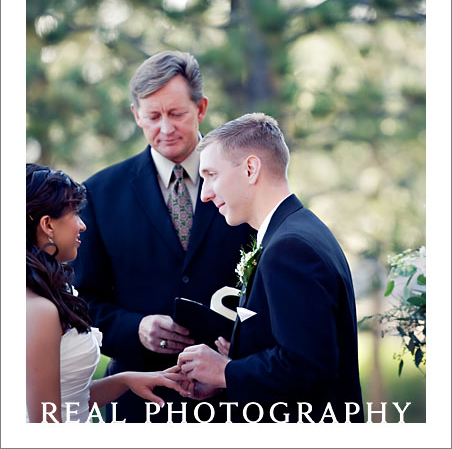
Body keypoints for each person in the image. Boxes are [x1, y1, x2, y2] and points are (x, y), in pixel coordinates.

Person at [71, 51, 254, 422]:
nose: (165, 128)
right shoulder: (99, 194)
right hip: (139, 404)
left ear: (201, 108)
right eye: (153, 116)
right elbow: (82, 302)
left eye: (177, 114)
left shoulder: (247, 177)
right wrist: (134, 329)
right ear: (136, 114)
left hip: (233, 399)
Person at [177, 113, 364, 423]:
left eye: (212, 175)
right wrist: (236, 362)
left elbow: (308, 365)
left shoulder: (290, 249)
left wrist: (225, 371)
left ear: (251, 169)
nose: (205, 193)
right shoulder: (297, 230)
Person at [26, 164, 187, 423]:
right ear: (47, 225)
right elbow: (46, 424)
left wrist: (125, 380)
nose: (83, 225)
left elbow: (69, 398)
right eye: (75, 213)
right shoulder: (38, 309)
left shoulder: (53, 291)